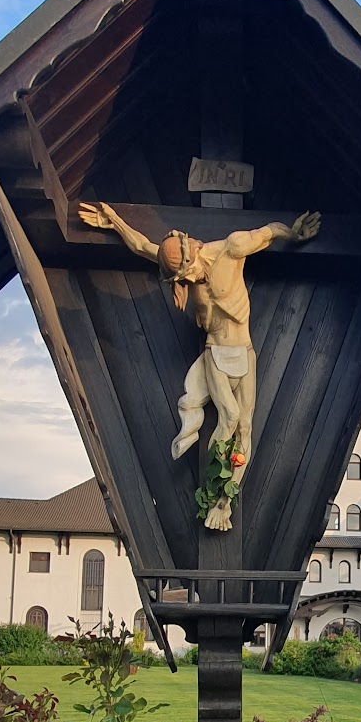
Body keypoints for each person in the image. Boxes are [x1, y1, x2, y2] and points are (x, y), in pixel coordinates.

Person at [77, 203, 320, 528]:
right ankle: (215, 493)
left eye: (184, 275)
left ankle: (225, 501)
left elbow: (268, 233)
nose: (186, 282)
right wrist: (115, 223)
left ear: (193, 255)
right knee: (229, 417)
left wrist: (293, 232)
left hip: (243, 350)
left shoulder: (231, 249)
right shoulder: (187, 273)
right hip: (214, 351)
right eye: (180, 279)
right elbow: (140, 246)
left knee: (245, 426)